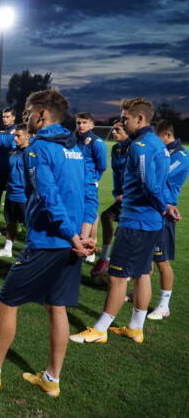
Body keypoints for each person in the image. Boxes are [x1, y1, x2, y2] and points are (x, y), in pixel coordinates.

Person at [0, 89, 97, 397]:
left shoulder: (39, 148)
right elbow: (90, 194)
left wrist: (73, 237)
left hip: (49, 241)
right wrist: (85, 235)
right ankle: (51, 378)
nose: (26, 118)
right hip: (74, 242)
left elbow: (49, 197)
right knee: (56, 306)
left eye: (28, 113)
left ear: (42, 115)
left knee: (6, 303)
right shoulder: (76, 146)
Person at [70, 97, 175, 344]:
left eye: (125, 118)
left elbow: (148, 184)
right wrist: (165, 206)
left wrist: (163, 207)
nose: (123, 122)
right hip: (149, 222)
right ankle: (136, 328)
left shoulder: (140, 146)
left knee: (117, 277)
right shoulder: (156, 143)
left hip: (137, 221)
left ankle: (100, 329)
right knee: (142, 273)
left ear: (140, 118)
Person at [148, 120, 188, 320]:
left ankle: (164, 305)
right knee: (147, 257)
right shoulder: (164, 153)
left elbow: (156, 178)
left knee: (162, 260)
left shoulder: (180, 156)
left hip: (165, 213)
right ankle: (141, 293)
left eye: (156, 138)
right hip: (153, 209)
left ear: (167, 136)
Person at [91, 122, 131, 279]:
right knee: (107, 216)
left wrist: (128, 195)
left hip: (134, 198)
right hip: (122, 196)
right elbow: (116, 174)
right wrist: (117, 193)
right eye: (113, 129)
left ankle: (125, 267)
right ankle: (105, 258)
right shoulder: (116, 148)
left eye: (117, 130)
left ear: (127, 132)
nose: (113, 132)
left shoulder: (135, 148)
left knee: (125, 229)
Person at [0, 123, 30, 257]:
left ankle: (32, 252)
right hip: (11, 192)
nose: (15, 139)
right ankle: (7, 249)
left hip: (24, 196)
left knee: (29, 227)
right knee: (10, 222)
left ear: (27, 137)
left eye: (18, 136)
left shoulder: (32, 153)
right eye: (15, 136)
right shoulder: (14, 151)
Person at [75, 112, 107, 262]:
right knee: (82, 214)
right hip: (74, 184)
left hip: (88, 185)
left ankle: (88, 247)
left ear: (92, 125)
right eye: (79, 123)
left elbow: (102, 166)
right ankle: (84, 244)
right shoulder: (73, 139)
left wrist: (93, 180)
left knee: (90, 214)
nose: (81, 126)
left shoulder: (97, 142)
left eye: (84, 122)